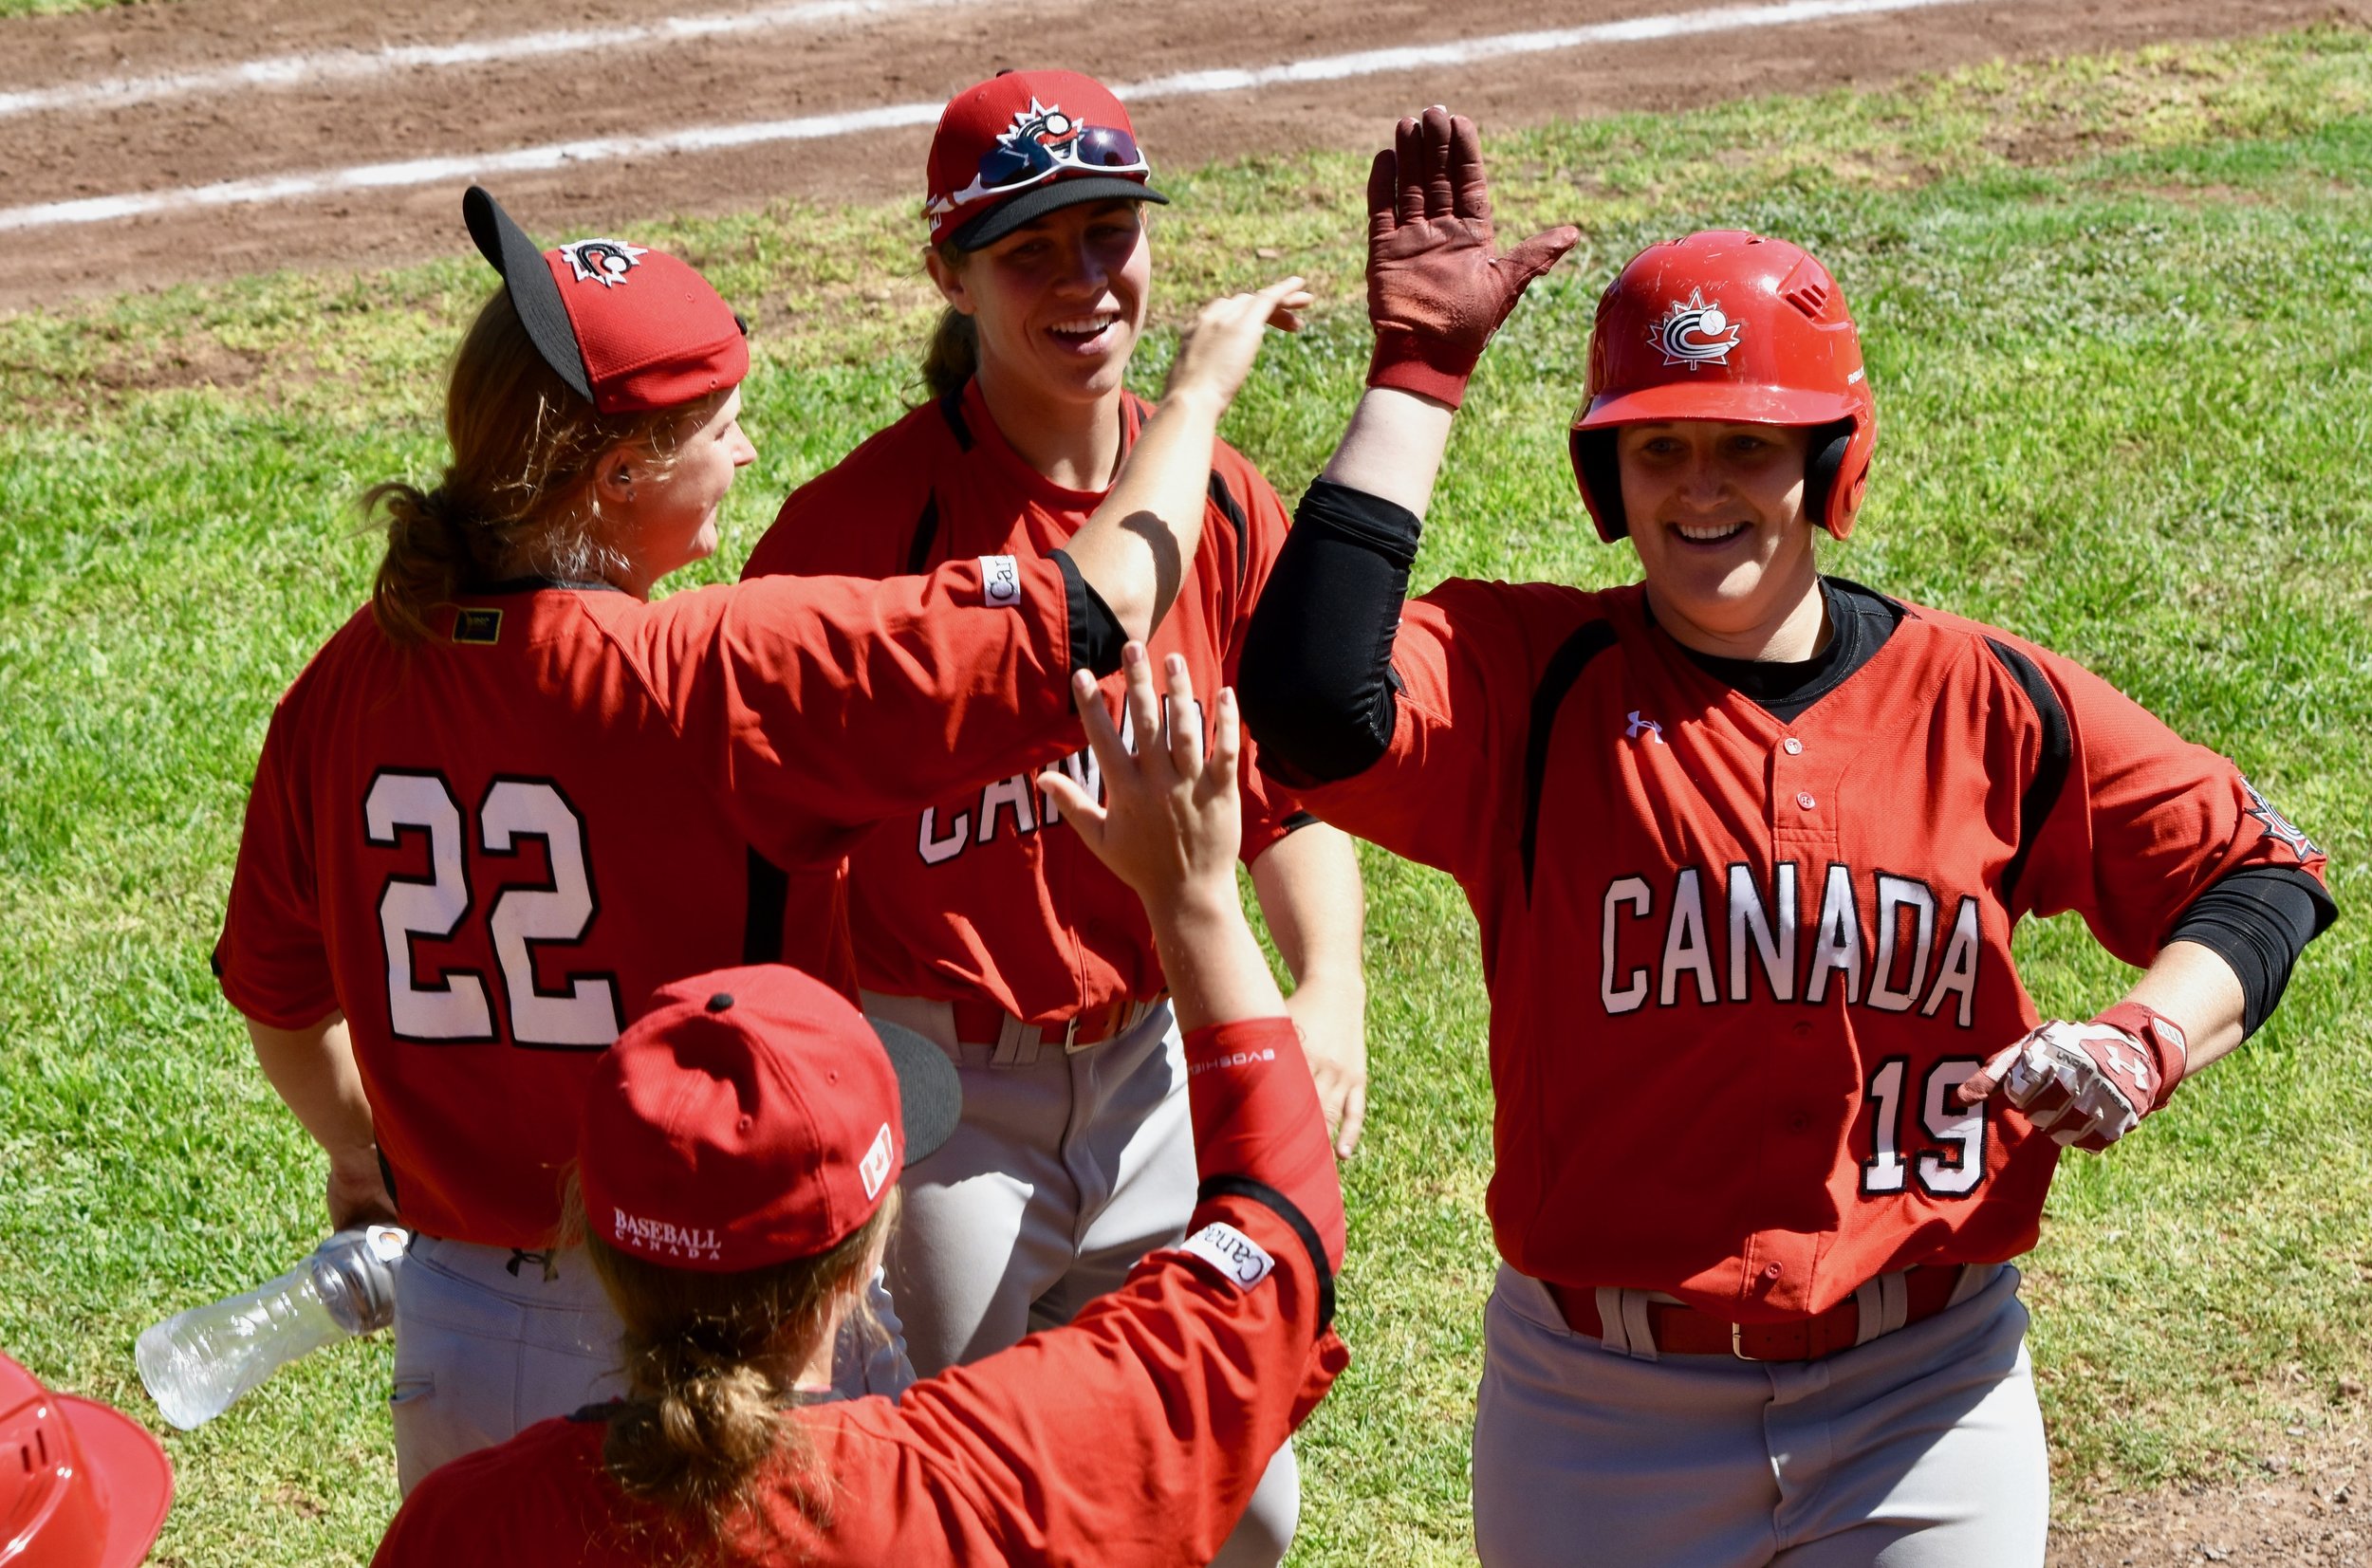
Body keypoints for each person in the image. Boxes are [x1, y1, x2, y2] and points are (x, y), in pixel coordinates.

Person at [1237, 110, 2338, 1564]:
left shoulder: (1983, 698)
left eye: (1749, 446)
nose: (1702, 488)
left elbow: (2262, 870)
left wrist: (2151, 1033)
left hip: (1923, 1397)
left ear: (1830, 464)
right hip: (1598, 1408)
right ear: (1606, 485)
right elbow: (1314, 706)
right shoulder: (1535, 679)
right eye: (1661, 449)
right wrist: (1419, 377)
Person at [212, 182, 1308, 1494]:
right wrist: (1192, 397)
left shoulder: (345, 684)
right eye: (719, 430)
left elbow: (280, 996)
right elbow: (1094, 608)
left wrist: (369, 1153)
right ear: (619, 477)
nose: (745, 455)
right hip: (706, 1342)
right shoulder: (713, 673)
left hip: (459, 1336)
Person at [740, 67, 1366, 1564]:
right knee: (935, 1505)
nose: (1087, 282)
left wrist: (1327, 988)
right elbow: (761, 838)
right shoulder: (860, 533)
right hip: (943, 1098)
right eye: (1032, 252)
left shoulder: (1222, 503)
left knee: (1238, 1503)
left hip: (1160, 1069)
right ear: (948, 272)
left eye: (1109, 234)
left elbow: (1290, 793)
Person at [372, 649, 1349, 1568]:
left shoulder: (463, 1526)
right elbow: (1276, 1235)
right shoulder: (982, 1483)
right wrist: (1194, 901)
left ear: (592, 1241)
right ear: (864, 1260)